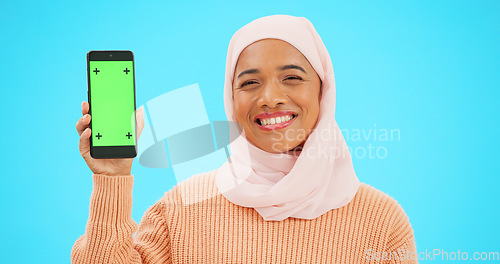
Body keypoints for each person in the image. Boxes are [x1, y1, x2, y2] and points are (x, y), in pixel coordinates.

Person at [72, 14, 418, 263]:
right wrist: (111, 178)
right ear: (230, 99)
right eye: (250, 82)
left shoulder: (380, 221)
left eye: (292, 78)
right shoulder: (180, 210)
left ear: (323, 92)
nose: (270, 97)